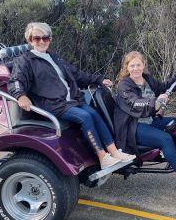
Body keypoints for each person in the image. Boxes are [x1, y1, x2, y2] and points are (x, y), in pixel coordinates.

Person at [8, 22, 135, 169]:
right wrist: (20, 95)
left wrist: (98, 80)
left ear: (50, 39)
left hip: (71, 100)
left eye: (45, 38)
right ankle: (102, 156)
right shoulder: (25, 60)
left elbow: (76, 73)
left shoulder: (54, 57)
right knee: (85, 117)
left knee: (94, 113)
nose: (42, 41)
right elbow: (16, 80)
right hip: (52, 103)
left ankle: (114, 152)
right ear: (30, 40)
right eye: (37, 38)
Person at [114, 51, 176, 192]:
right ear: (127, 67)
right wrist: (156, 102)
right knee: (165, 139)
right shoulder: (124, 86)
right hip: (132, 127)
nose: (136, 68)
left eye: (138, 65)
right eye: (132, 65)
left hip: (149, 121)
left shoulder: (146, 79)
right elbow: (135, 103)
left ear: (143, 65)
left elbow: (163, 87)